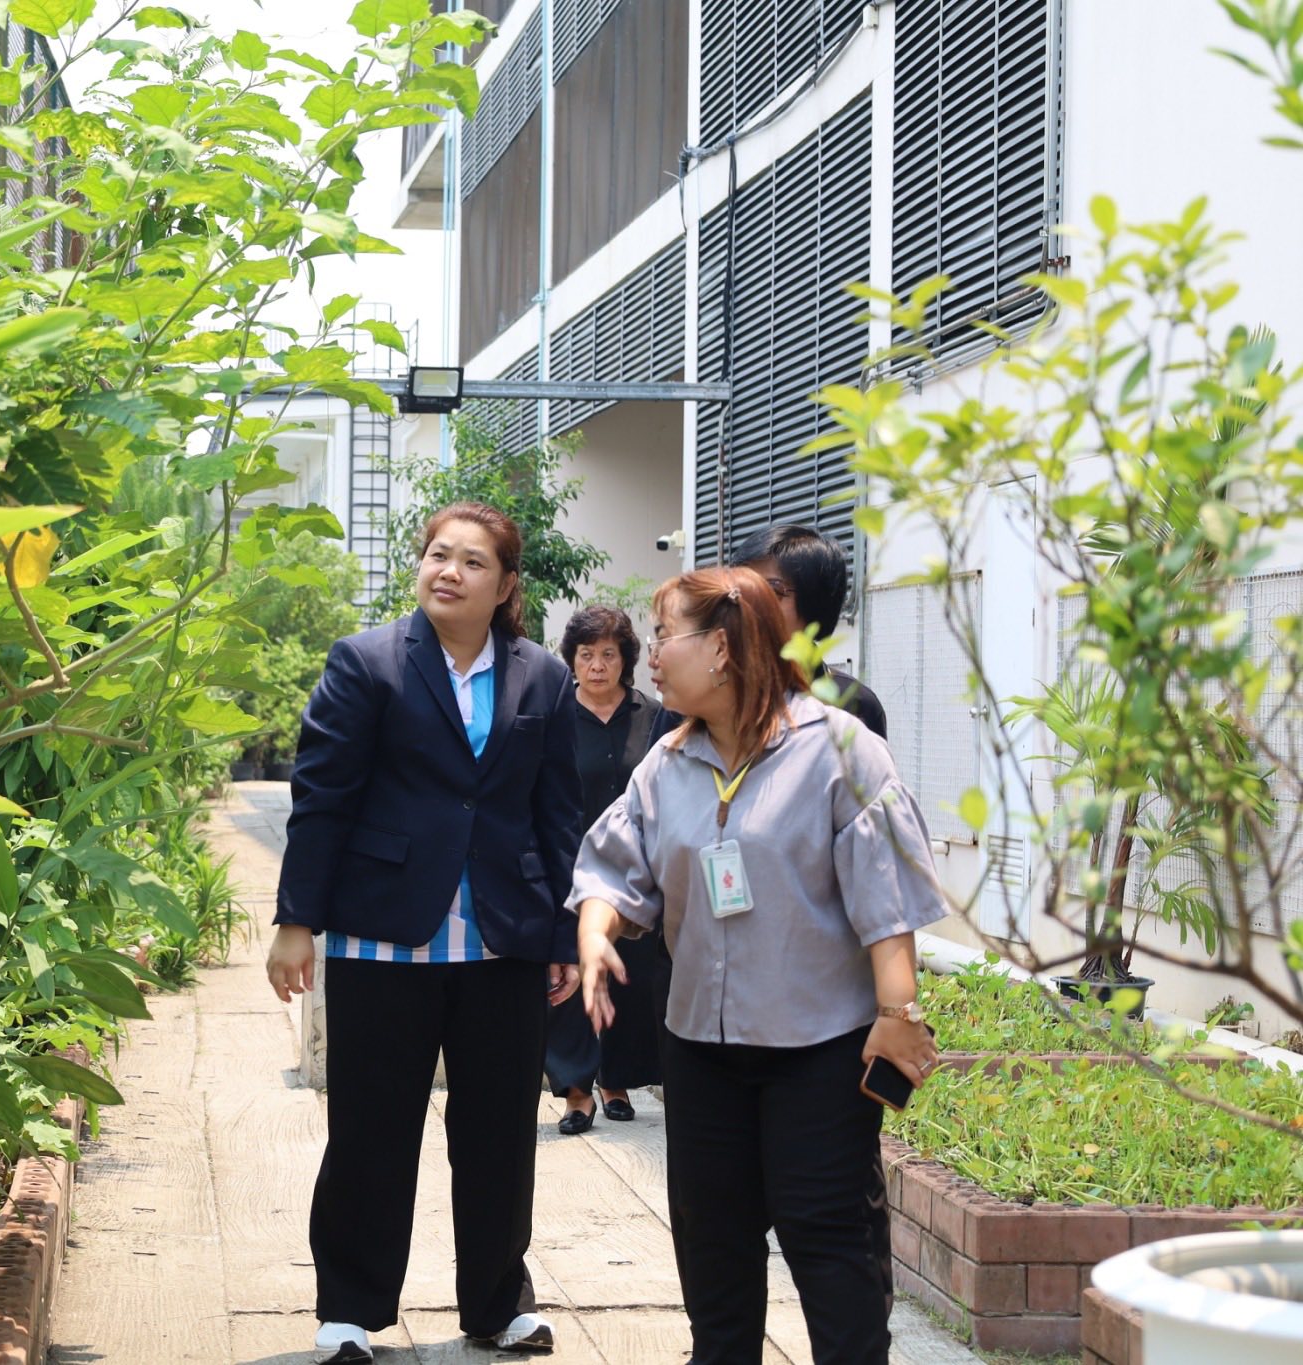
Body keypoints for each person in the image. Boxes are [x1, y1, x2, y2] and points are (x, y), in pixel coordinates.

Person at [570, 566, 946, 1365]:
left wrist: (898, 1013)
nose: (650, 656)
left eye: (664, 635)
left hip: (818, 1050)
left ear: (723, 647)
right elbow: (615, 865)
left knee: (827, 1236)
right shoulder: (667, 761)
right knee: (712, 1242)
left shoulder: (840, 750)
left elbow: (887, 904)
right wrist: (596, 930)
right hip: (700, 1050)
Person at [266, 502, 583, 1365]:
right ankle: (348, 1311)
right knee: (371, 1130)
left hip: (503, 940)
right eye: (438, 554)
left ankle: (498, 1304)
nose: (449, 571)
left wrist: (562, 931)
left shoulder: (543, 677)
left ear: (506, 585)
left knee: (499, 1135)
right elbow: (321, 797)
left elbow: (558, 815)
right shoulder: (366, 661)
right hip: (381, 937)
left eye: (473, 561)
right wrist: (297, 921)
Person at [542, 605, 669, 1135]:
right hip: (569, 866)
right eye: (586, 655)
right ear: (572, 660)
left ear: (626, 660)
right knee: (568, 975)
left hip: (637, 870)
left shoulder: (655, 716)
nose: (597, 666)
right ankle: (576, 1091)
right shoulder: (554, 716)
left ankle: (617, 1081)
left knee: (632, 975)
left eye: (609, 655)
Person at [732, 522, 888, 739]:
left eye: (772, 590)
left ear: (814, 603)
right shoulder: (709, 695)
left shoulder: (854, 704)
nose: (748, 603)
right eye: (740, 590)